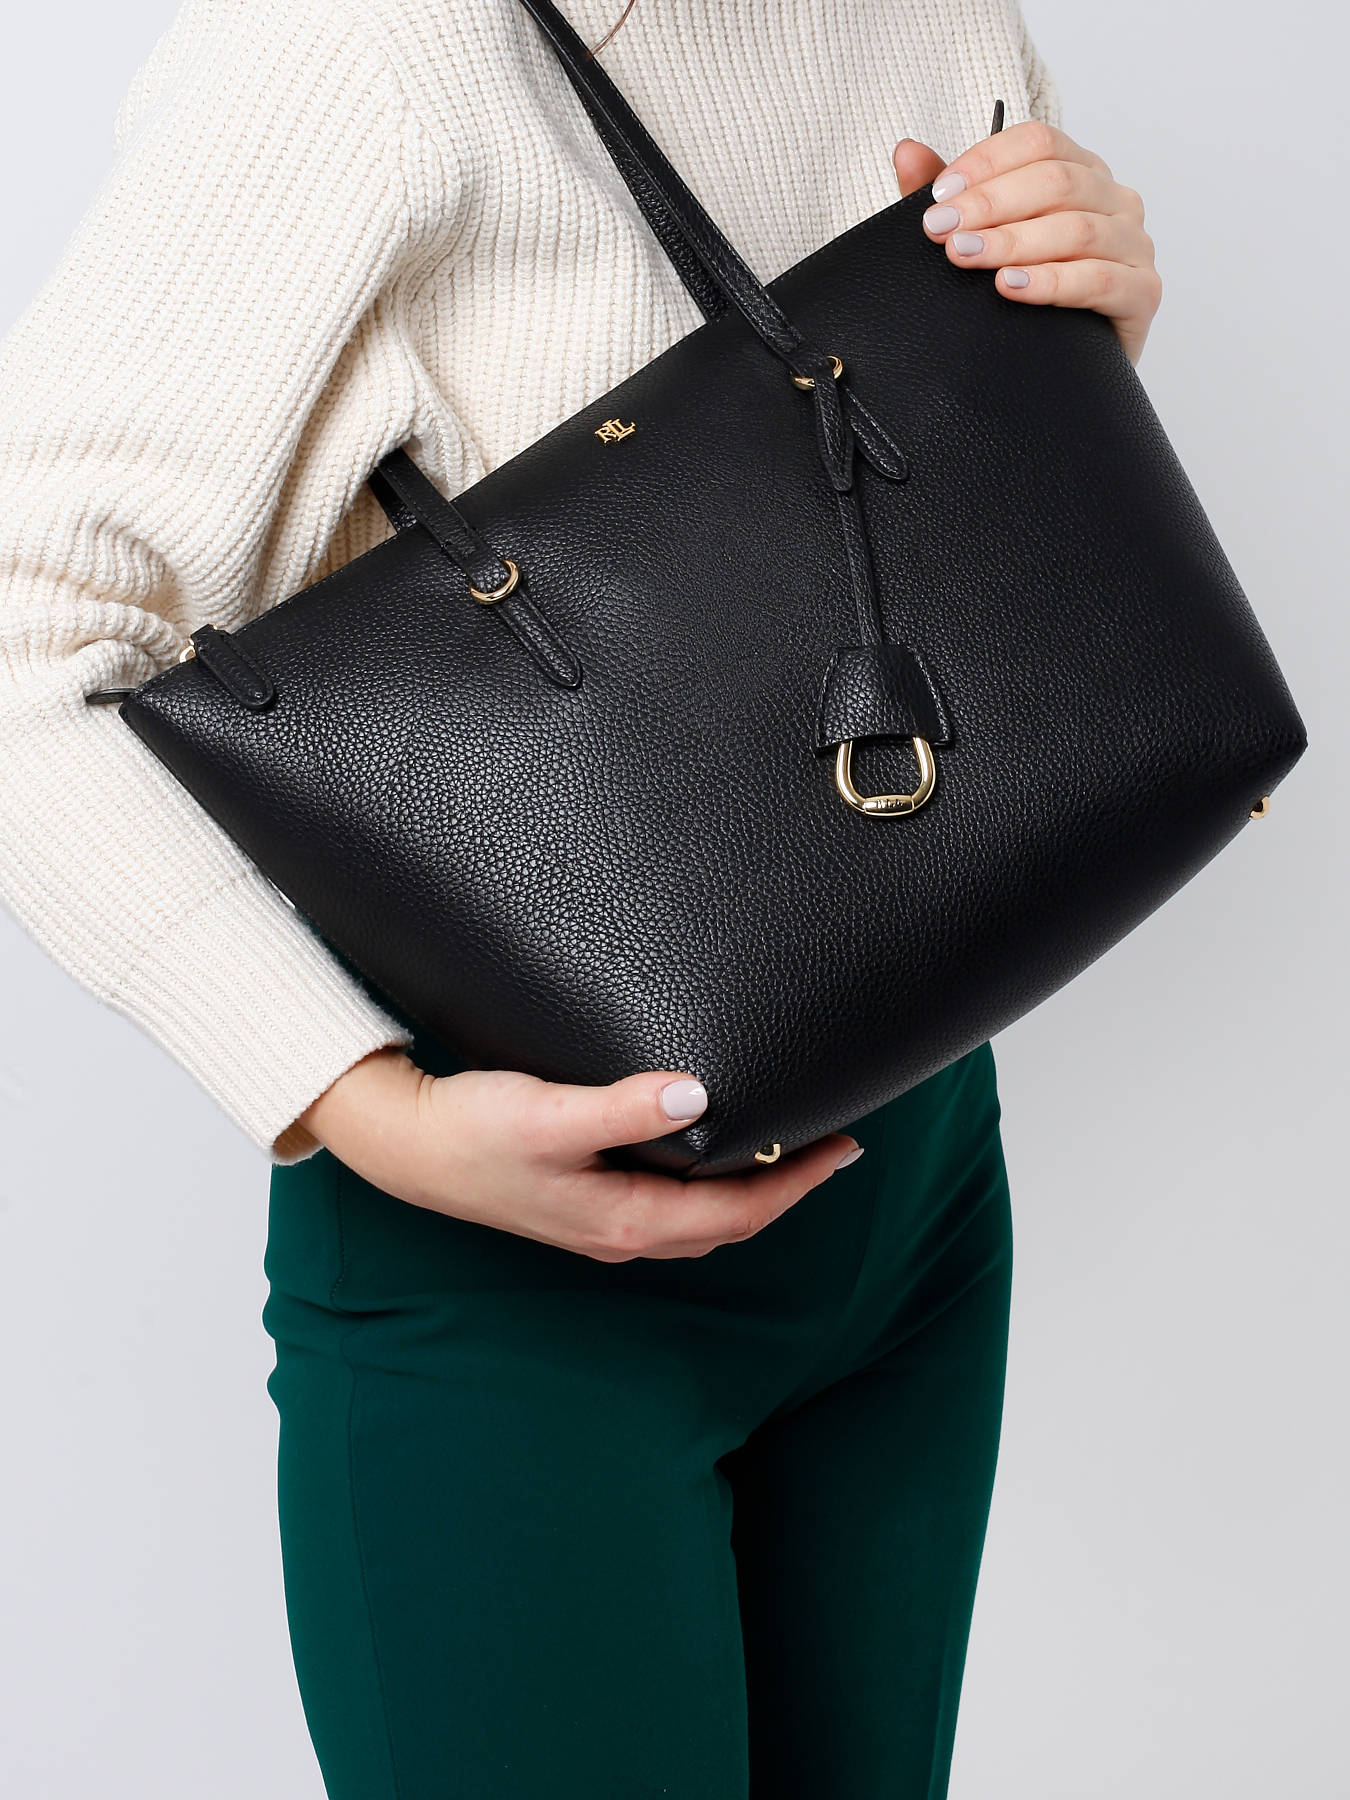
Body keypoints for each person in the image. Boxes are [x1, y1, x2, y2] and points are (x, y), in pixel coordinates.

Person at [0, 1, 1161, 1793]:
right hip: (512, 1260)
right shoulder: (352, 55)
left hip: (917, 1176)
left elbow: (886, 499)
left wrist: (1083, 323)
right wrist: (358, 1105)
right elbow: (29, 623)